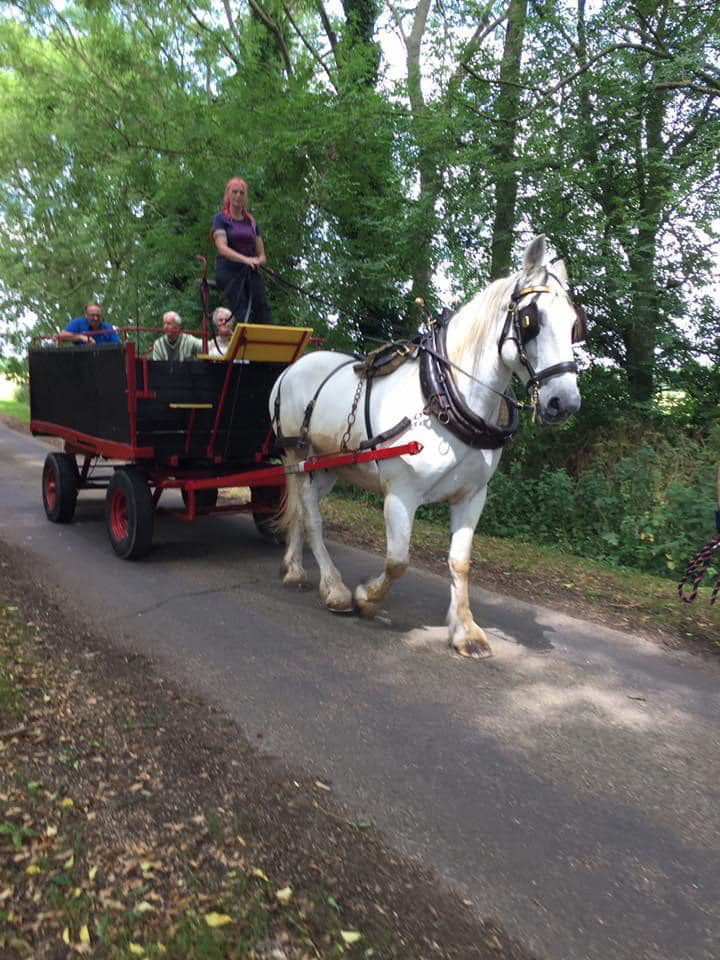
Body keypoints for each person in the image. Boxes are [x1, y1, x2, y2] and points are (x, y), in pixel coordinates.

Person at [212, 177, 273, 325]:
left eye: (242, 192)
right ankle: (247, 344)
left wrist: (258, 261)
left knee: (262, 308)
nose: (238, 196)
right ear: (228, 194)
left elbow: (262, 255)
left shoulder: (251, 222)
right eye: (235, 192)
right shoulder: (220, 219)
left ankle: (269, 344)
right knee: (243, 310)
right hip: (228, 270)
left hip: (250, 271)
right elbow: (222, 248)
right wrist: (246, 259)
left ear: (246, 196)